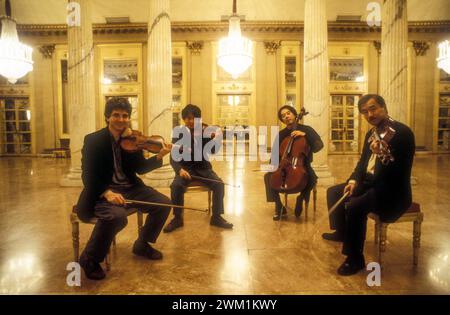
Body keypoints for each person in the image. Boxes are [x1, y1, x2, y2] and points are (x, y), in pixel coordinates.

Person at [76, 97, 172, 280]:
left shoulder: (132, 140)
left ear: (129, 118)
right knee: (117, 217)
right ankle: (90, 258)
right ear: (107, 117)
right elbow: (87, 175)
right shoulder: (93, 140)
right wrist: (107, 193)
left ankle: (142, 244)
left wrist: (160, 155)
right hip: (102, 192)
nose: (121, 119)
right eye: (116, 115)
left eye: (125, 116)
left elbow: (141, 168)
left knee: (164, 203)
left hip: (130, 187)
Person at [322, 94, 415, 276]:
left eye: (373, 108)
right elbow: (362, 163)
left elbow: (398, 171)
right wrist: (353, 180)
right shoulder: (371, 134)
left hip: (392, 189)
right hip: (371, 183)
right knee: (334, 192)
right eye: (365, 112)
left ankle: (355, 259)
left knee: (356, 206)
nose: (369, 114)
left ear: (384, 107)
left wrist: (382, 155)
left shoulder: (402, 133)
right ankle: (341, 232)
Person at [163, 104, 233, 233]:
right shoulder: (179, 134)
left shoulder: (205, 132)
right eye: (187, 118)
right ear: (184, 119)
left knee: (219, 184)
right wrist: (180, 170)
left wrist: (217, 139)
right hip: (185, 169)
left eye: (194, 118)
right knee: (176, 186)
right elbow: (173, 156)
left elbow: (212, 151)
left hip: (204, 169)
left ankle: (216, 217)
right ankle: (177, 217)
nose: (190, 121)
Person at [264, 105, 324, 220]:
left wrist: (305, 136)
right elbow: (275, 154)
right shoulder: (281, 134)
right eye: (283, 116)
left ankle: (301, 198)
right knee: (268, 177)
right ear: (282, 120)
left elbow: (319, 146)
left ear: (294, 114)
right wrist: (273, 167)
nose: (286, 116)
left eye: (288, 113)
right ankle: (279, 206)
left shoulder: (307, 129)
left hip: (303, 165)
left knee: (312, 178)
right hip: (284, 165)